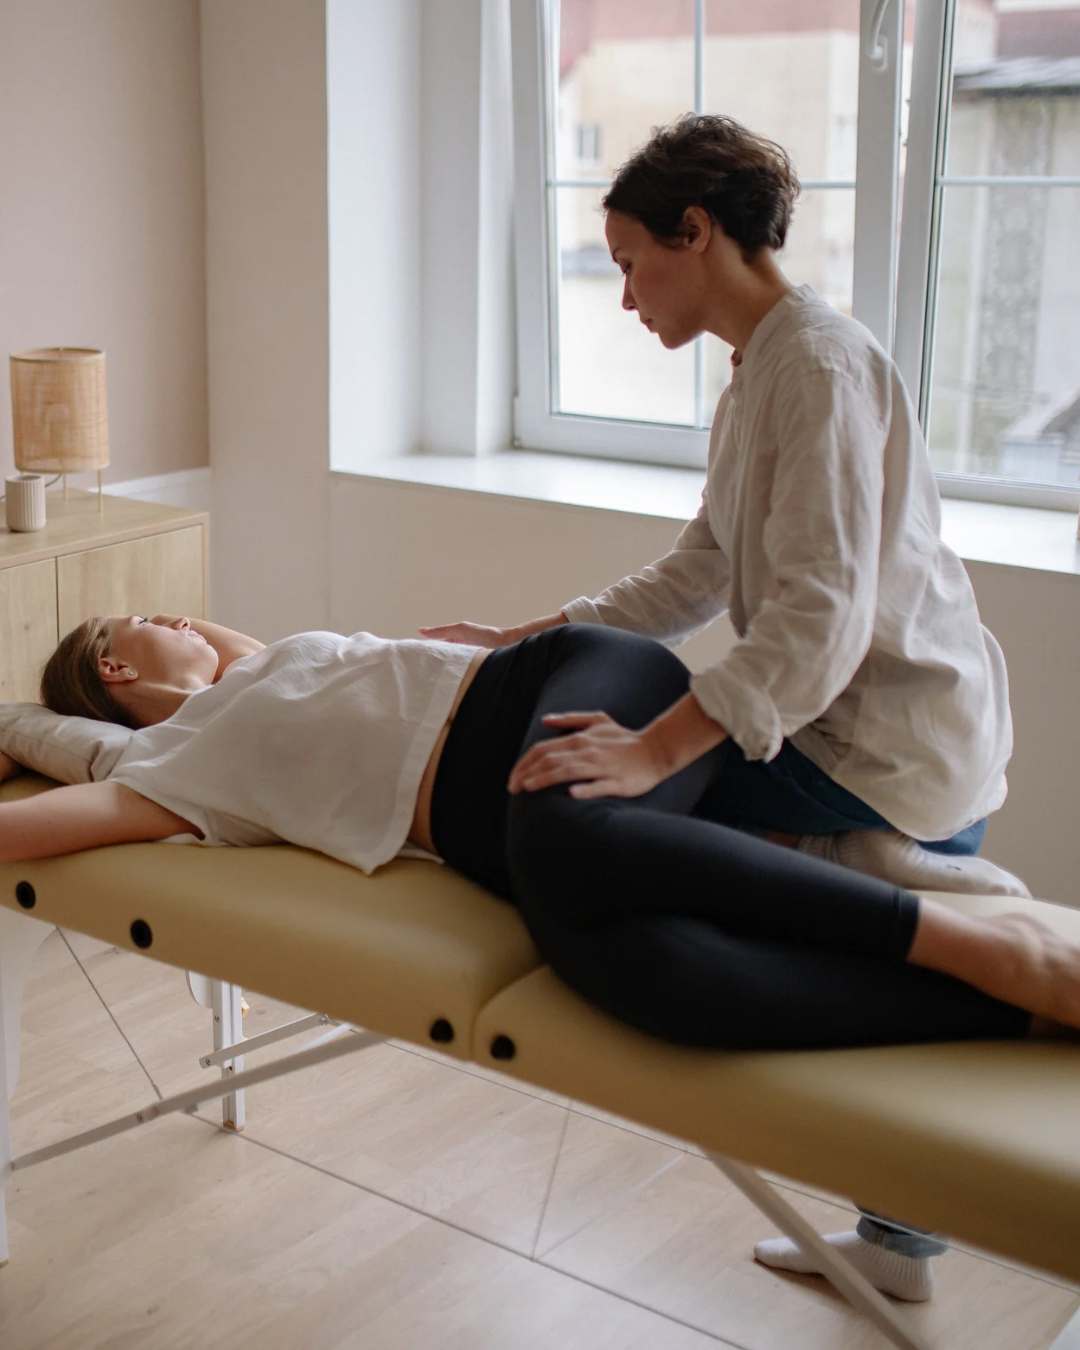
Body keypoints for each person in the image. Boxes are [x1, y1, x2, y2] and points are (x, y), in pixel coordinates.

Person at [418, 112, 1031, 1297]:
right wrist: (525, 638)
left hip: (888, 742)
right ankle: (900, 1246)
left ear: (694, 231)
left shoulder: (818, 367)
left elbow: (818, 617)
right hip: (855, 726)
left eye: (629, 262)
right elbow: (697, 573)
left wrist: (656, 753)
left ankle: (917, 889)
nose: (623, 295)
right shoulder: (762, 373)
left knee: (610, 809)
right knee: (834, 948)